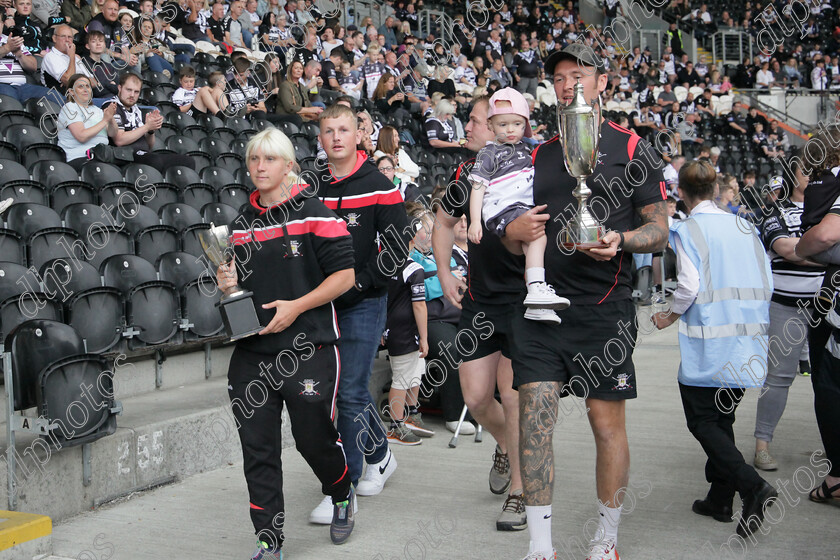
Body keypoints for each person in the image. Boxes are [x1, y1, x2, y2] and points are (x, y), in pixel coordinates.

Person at [503, 44, 668, 560]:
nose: (568, 83)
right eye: (559, 77)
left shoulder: (634, 148)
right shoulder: (536, 153)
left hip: (605, 307)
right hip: (540, 308)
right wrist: (514, 230)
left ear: (602, 83)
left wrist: (620, 241)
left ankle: (607, 536)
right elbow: (510, 236)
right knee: (535, 420)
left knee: (604, 423)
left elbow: (660, 229)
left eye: (579, 74)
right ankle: (541, 545)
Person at [216, 127, 356, 559]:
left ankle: (342, 492)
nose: (260, 167)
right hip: (253, 354)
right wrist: (227, 285)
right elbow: (237, 288)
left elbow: (345, 278)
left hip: (309, 348)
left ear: (289, 165)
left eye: (270, 159)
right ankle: (269, 540)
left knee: (314, 440)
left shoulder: (315, 212)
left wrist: (296, 306)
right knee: (257, 449)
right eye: (254, 159)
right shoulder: (240, 224)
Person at [653, 159, 778, 538]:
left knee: (703, 421)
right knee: (723, 420)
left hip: (711, 341)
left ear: (684, 194)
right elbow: (766, 280)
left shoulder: (688, 229)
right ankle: (720, 498)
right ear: (715, 190)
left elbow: (689, 286)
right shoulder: (745, 225)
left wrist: (669, 316)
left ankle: (752, 486)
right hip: (747, 340)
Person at [308, 103, 412, 523]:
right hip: (320, 303)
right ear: (320, 139)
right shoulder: (310, 186)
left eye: (344, 130)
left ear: (358, 136)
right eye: (328, 130)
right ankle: (381, 455)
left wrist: (362, 282)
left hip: (365, 302)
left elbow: (399, 246)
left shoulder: (379, 184)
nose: (336, 137)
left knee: (347, 392)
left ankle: (341, 490)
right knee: (341, 392)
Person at [432, 95, 529, 532]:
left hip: (523, 299)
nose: (466, 128)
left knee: (512, 396)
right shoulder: (464, 173)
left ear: (501, 126)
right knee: (474, 397)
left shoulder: (530, 163)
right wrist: (445, 273)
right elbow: (440, 223)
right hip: (480, 299)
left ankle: (519, 494)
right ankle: (508, 448)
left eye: (472, 121)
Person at [470, 87, 567, 324]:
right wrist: (475, 221)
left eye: (516, 124)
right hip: (503, 208)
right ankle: (535, 288)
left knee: (532, 244)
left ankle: (536, 303)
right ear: (491, 126)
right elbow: (478, 188)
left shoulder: (528, 148)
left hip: (520, 206)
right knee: (537, 238)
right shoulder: (489, 153)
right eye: (503, 125)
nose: (510, 130)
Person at [752, 154, 824, 471]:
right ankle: (762, 445)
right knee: (778, 377)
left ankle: (831, 446)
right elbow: (785, 249)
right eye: (805, 170)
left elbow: (799, 250)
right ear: (791, 176)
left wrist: (806, 252)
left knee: (828, 381)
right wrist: (828, 258)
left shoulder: (829, 209)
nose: (811, 175)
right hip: (786, 306)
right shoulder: (774, 212)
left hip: (826, 308)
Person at [382, 201, 431, 445]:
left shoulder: (385, 263)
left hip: (391, 327)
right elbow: (419, 305)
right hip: (407, 331)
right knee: (402, 378)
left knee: (414, 372)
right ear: (412, 237)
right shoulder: (414, 268)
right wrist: (424, 337)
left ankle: (410, 415)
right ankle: (395, 426)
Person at [104, 72, 195, 171]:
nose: (132, 95)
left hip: (144, 154)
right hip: (125, 156)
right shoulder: (112, 106)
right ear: (120, 88)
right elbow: (119, 140)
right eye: (128, 90)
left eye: (136, 92)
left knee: (188, 161)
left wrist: (151, 130)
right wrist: (146, 127)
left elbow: (149, 145)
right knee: (154, 161)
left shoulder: (136, 110)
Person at [57, 73, 117, 171]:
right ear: (71, 92)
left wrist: (110, 118)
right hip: (78, 157)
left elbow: (112, 133)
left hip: (101, 157)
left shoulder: (97, 110)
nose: (85, 89)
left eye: (88, 86)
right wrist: (105, 119)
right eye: (81, 86)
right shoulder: (69, 108)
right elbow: (81, 136)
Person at [0, 17, 64, 105]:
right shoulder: (10, 44)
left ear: (3, 24)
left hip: (23, 87)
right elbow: (7, 47)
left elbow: (33, 66)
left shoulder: (13, 40)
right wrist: (7, 48)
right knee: (11, 105)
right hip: (2, 86)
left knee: (55, 96)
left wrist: (20, 55)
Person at [276, 60, 323, 125]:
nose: (299, 70)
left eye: (301, 68)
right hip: (288, 117)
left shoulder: (302, 86)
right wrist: (311, 110)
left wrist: (316, 112)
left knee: (322, 119)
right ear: (290, 70)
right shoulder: (285, 85)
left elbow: (308, 103)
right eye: (296, 68)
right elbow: (290, 107)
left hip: (302, 117)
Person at [373, 125, 419, 189]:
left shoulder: (401, 152)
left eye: (397, 136)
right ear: (387, 138)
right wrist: (409, 177)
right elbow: (395, 177)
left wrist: (399, 169)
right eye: (395, 136)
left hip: (409, 188)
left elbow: (416, 171)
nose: (398, 139)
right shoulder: (379, 155)